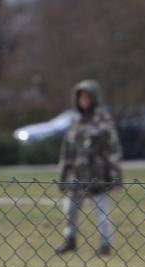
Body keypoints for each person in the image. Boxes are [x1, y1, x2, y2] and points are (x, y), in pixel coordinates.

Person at [55, 80, 122, 256]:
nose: (83, 100)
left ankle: (105, 245)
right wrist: (63, 175)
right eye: (80, 97)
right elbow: (67, 151)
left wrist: (116, 176)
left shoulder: (103, 119)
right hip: (76, 175)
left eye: (86, 96)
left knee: (100, 210)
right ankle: (70, 240)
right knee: (70, 209)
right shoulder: (75, 121)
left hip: (96, 175)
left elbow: (113, 149)